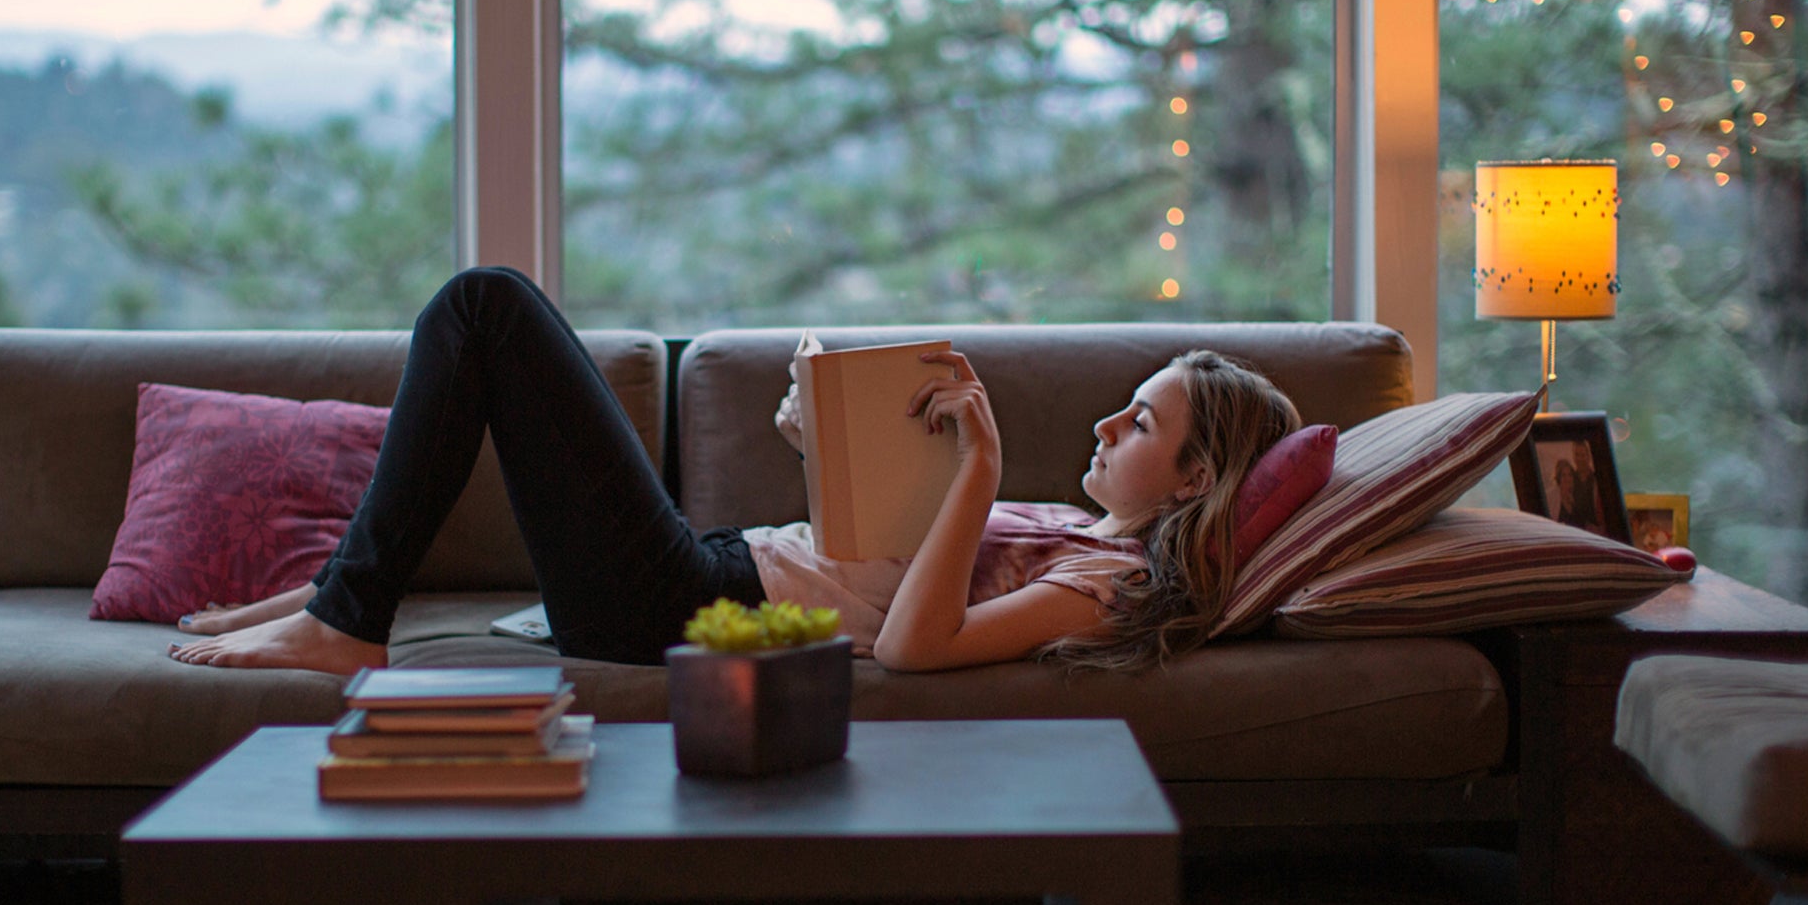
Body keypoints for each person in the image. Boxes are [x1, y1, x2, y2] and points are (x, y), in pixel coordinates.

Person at [168, 267, 1302, 676]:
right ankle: (340, 597)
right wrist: (831, 451)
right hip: (712, 572)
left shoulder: (1112, 583)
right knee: (486, 314)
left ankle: (347, 617)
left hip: (684, 606)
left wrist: (981, 464)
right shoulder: (1076, 526)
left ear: (1194, 479)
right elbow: (877, 569)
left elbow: (913, 646)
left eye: (1139, 423)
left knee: (486, 309)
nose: (1106, 423)